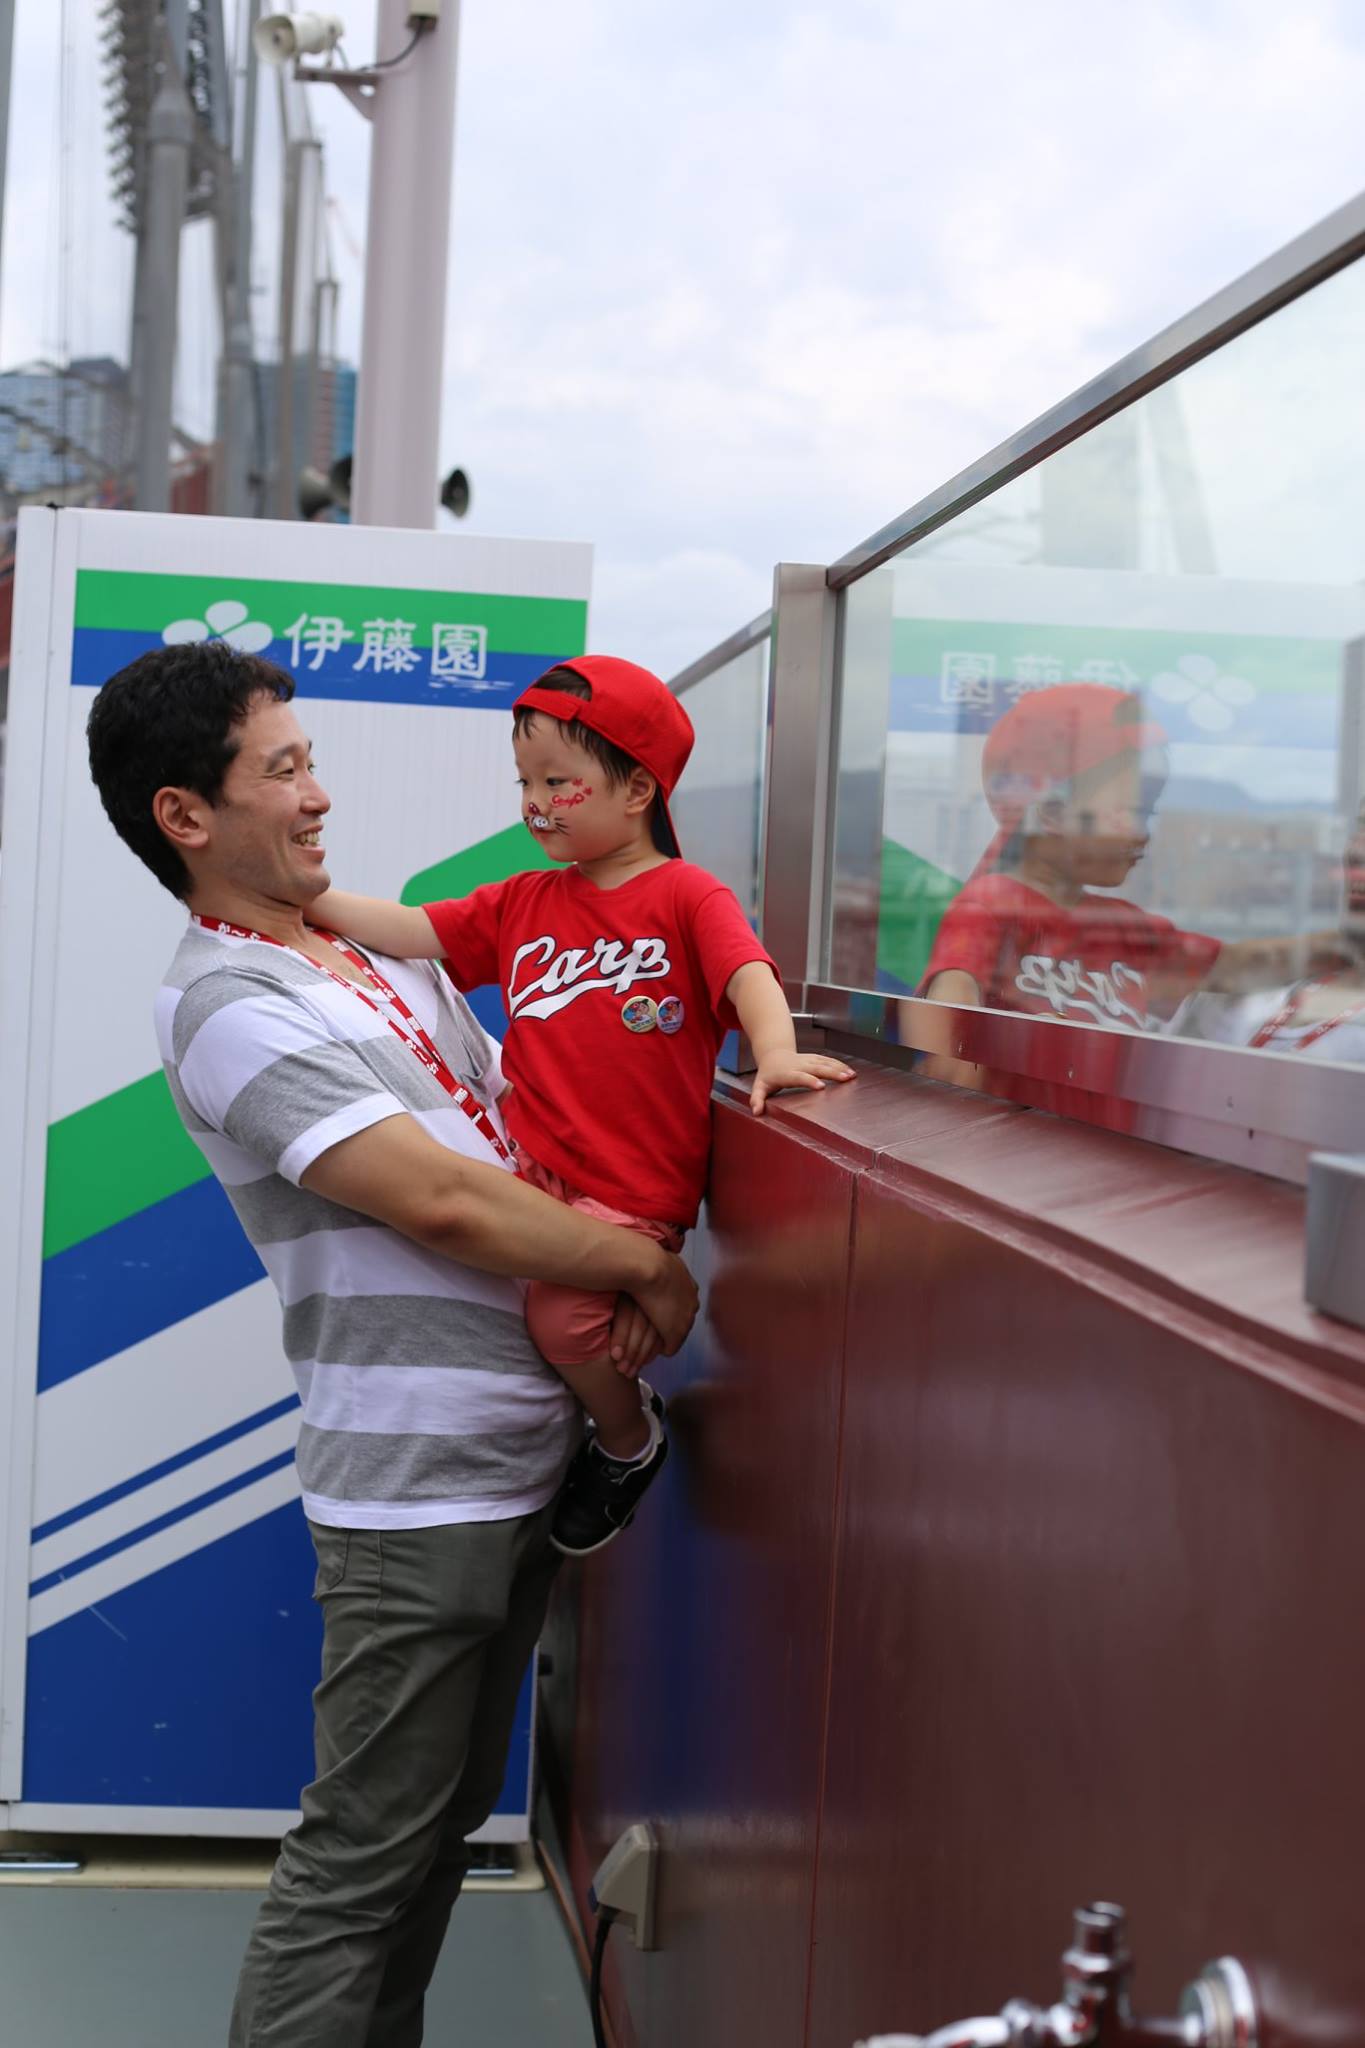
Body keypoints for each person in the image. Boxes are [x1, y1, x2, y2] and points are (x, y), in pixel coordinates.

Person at [85, 640, 699, 2048]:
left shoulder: (366, 952)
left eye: (309, 762)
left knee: (429, 1838)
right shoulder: (222, 1002)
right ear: (186, 815)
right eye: (282, 770)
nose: (318, 795)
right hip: (414, 1494)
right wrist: (641, 1265)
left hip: (517, 1461)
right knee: (363, 1855)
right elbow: (441, 1199)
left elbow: (515, 1135)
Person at [310, 655, 855, 1558]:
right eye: (524, 783)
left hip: (628, 1188)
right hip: (526, 1171)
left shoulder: (686, 893)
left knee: (562, 1324)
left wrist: (775, 1052)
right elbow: (417, 929)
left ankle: (628, 1440)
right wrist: (314, 899)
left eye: (558, 782)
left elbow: (746, 972)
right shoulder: (524, 901)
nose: (535, 804)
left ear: (637, 788)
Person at [921, 683, 1349, 1043]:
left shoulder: (1124, 927)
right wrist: (1017, 1049)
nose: (1145, 834)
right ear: (1051, 813)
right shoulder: (990, 908)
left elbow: (1234, 968)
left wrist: (1349, 944)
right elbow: (947, 1031)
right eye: (1136, 811)